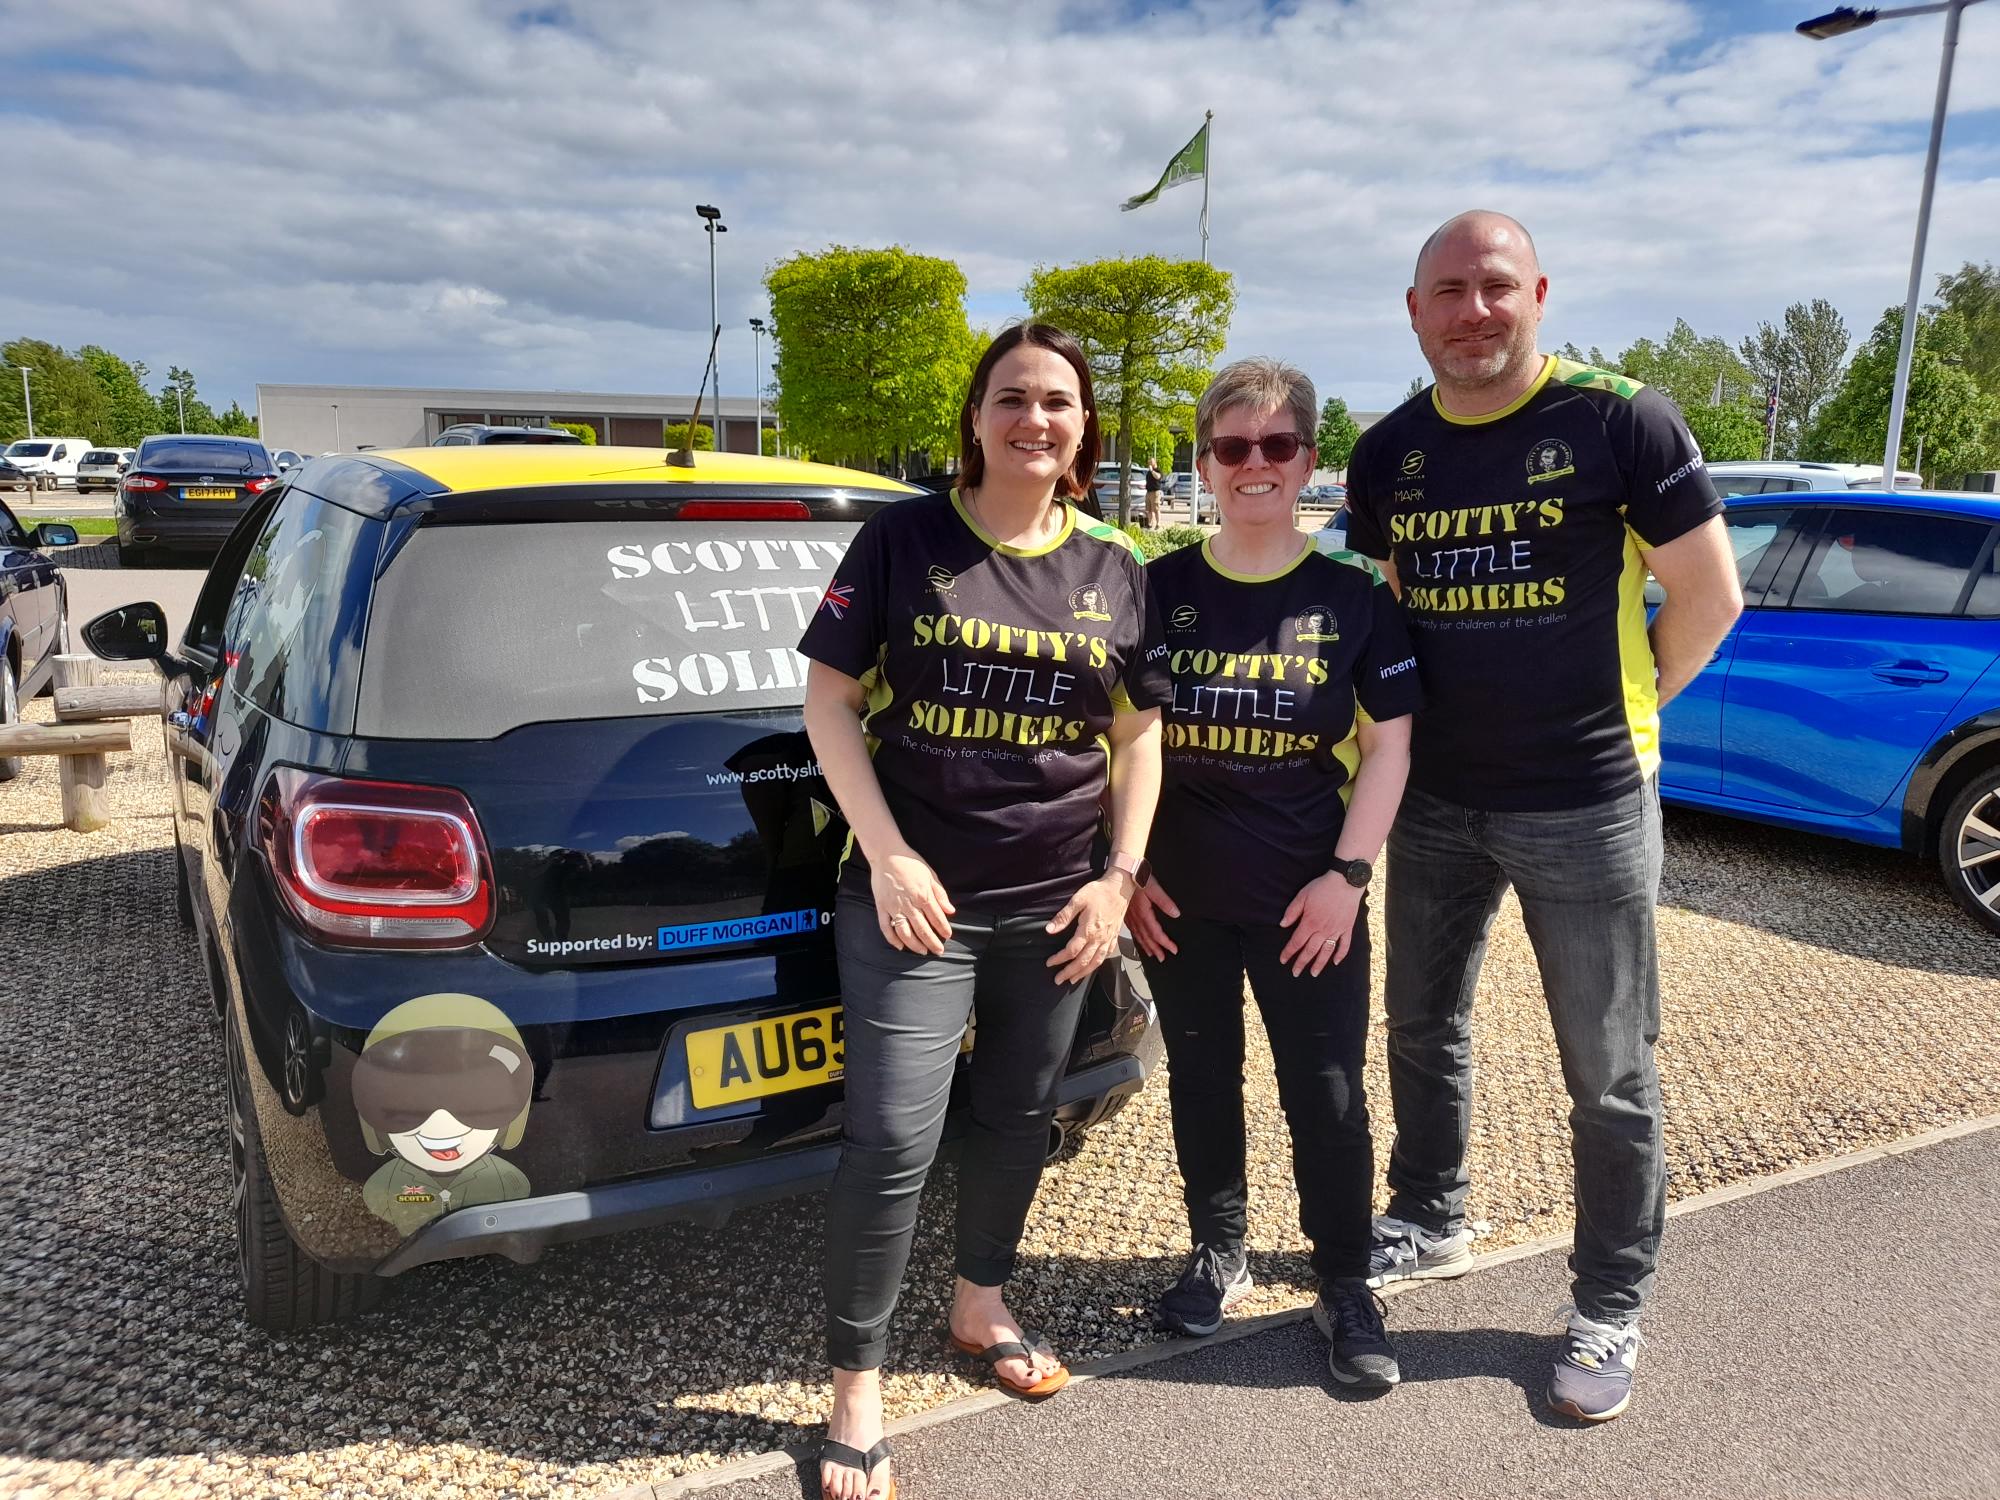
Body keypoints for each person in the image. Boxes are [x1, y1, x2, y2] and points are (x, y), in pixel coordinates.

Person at [1342, 211, 1743, 1423]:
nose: (1472, 311)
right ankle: (1428, 1214)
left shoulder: (1620, 418)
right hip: (1432, 803)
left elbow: (1707, 598)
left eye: (1495, 287)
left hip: (1585, 805)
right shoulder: (1386, 452)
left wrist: (1615, 718)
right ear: (1412, 312)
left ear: (1538, 294)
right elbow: (1385, 619)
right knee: (1420, 1024)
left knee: (1608, 1074)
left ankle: (1608, 1302)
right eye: (1447, 291)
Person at [799, 322, 1170, 1500]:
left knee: (1019, 1117)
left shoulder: (1115, 563)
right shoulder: (905, 537)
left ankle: (978, 1306)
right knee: (897, 1137)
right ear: (974, 416)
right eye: (1011, 398)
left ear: (1082, 427)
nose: (1034, 420)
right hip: (918, 900)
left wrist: (1117, 877)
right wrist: (889, 854)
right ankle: (855, 1381)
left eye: (1057, 402)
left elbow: (1137, 734)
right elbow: (825, 702)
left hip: (1057, 902)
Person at [1128, 357, 1421, 1390]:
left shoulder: (1350, 599)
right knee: (1203, 1082)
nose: (1254, 465)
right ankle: (1218, 1247)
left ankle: (1343, 1281)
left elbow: (1388, 747)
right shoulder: (1153, 590)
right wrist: (1122, 872)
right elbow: (1114, 744)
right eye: (1230, 447)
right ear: (1204, 462)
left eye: (1276, 446)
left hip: (1309, 900)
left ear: (1306, 460)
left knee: (1328, 1094)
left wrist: (1349, 873)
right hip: (1179, 900)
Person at [1144, 458, 1164, 528]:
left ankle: (1158, 524)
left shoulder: (1158, 470)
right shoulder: (1149, 472)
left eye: (1151, 462)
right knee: (1149, 510)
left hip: (1155, 492)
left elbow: (1158, 477)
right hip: (1148, 492)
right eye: (1149, 462)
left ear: (1155, 462)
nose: (1149, 463)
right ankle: (1150, 524)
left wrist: (1152, 470)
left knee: (1156, 509)